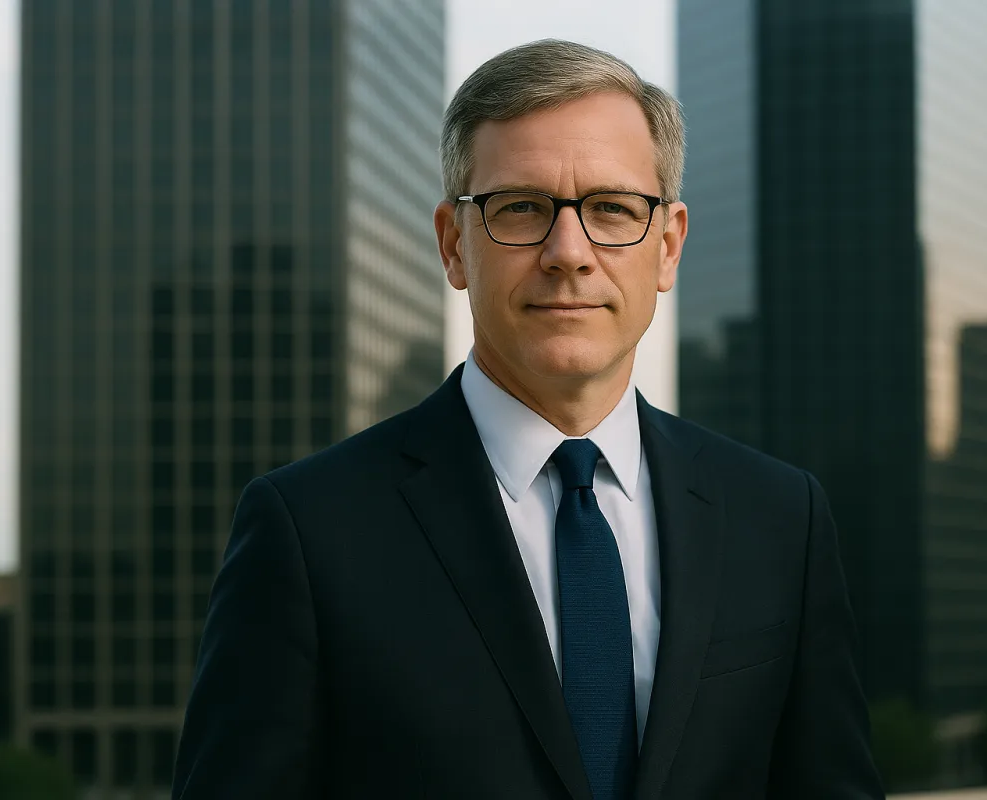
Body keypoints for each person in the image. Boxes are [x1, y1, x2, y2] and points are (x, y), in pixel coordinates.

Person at [172, 39, 883, 800]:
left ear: (668, 246)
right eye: (522, 209)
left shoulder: (779, 517)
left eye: (612, 208)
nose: (567, 252)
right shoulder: (307, 530)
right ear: (453, 244)